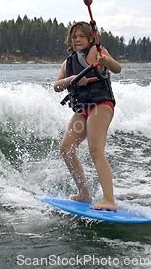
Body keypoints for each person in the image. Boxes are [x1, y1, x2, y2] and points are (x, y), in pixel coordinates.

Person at [53, 21, 121, 211]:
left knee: (95, 149)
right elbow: (56, 86)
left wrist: (106, 61)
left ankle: (109, 199)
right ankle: (84, 193)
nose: (77, 40)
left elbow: (117, 68)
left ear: (90, 38)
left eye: (81, 36)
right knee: (66, 148)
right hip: (83, 109)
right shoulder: (68, 62)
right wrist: (71, 79)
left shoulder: (97, 52)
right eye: (74, 37)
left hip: (101, 105)